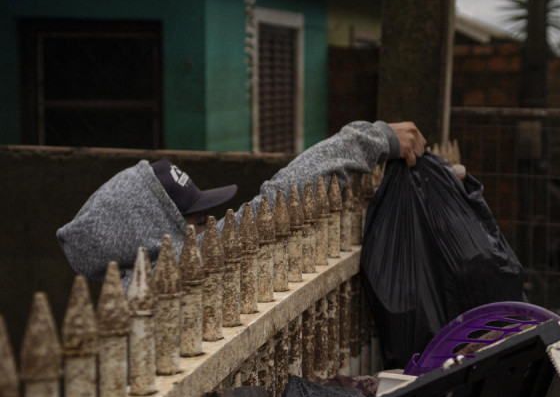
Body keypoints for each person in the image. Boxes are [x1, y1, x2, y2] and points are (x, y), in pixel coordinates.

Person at [57, 120, 426, 284]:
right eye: (199, 224)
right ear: (154, 241)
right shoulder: (159, 284)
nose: (217, 228)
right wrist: (371, 138)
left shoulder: (138, 283)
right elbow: (279, 202)